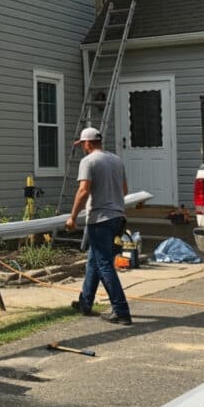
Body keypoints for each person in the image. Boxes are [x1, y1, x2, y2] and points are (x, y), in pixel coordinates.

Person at [64, 126, 132, 325]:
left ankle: (121, 311)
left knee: (104, 265)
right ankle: (85, 303)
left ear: (87, 143)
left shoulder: (89, 161)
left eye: (83, 144)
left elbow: (84, 191)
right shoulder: (116, 160)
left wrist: (73, 217)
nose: (83, 148)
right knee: (94, 261)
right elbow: (125, 190)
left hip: (100, 219)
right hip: (118, 217)